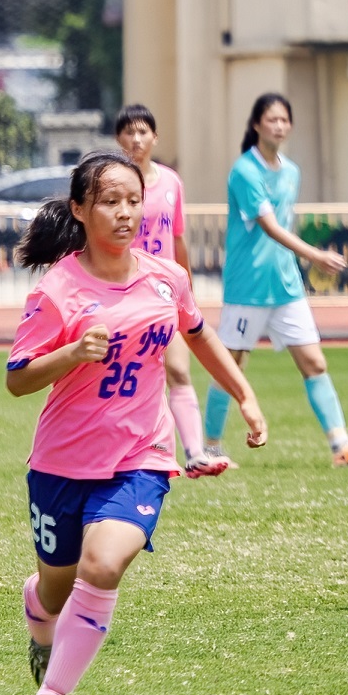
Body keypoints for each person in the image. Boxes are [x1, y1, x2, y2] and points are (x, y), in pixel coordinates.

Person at [7, 152, 267, 695]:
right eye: (109, 201)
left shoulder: (165, 278)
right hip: (60, 464)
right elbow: (17, 378)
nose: (126, 214)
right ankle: (38, 609)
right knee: (56, 587)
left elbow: (198, 337)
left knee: (102, 568)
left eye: (133, 200)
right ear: (80, 209)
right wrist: (72, 354)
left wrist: (244, 395)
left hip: (140, 458)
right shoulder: (58, 290)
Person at [203, 92, 348, 468]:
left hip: (285, 285)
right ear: (256, 125)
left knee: (314, 363)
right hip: (247, 287)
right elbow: (268, 225)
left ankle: (340, 444)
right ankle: (210, 449)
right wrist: (315, 254)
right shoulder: (245, 171)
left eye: (284, 120)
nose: (279, 126)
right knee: (230, 368)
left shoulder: (292, 171)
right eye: (272, 119)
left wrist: (302, 260)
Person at [112, 104, 228, 478]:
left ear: (155, 137)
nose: (136, 139)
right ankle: (129, 452)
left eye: (143, 131)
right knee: (129, 376)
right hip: (126, 293)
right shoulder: (114, 184)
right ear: (119, 139)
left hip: (164, 292)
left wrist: (187, 290)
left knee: (179, 369)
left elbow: (178, 238)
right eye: (129, 132)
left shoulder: (171, 182)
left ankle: (194, 454)